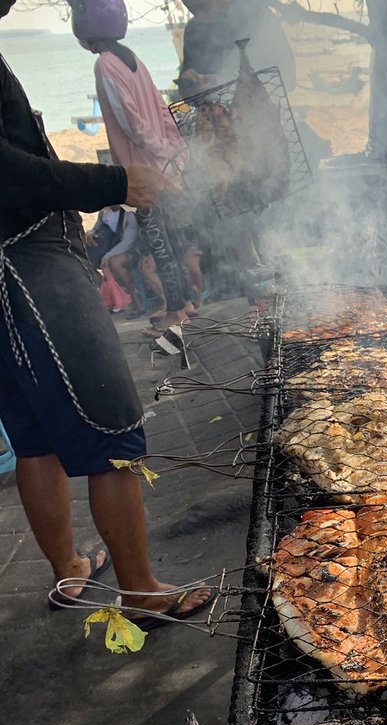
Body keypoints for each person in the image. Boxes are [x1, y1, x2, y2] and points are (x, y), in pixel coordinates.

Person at [0, 0, 210, 623]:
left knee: (34, 435)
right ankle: (142, 590)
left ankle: (70, 568)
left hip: (22, 261)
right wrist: (113, 185)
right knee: (114, 423)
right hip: (25, 259)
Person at [73, 0, 193, 333]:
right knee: (172, 239)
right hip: (165, 166)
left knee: (159, 244)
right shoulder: (133, 59)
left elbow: (131, 123)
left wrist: (157, 155)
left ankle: (174, 313)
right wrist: (175, 154)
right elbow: (161, 109)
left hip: (142, 174)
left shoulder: (106, 65)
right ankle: (185, 303)